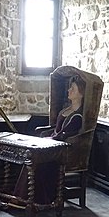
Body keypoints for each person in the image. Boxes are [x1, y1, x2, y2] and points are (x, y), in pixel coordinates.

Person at [14, 75, 85, 205]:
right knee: (30, 161)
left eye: (73, 89)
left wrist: (46, 140)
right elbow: (56, 130)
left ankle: (38, 199)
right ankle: (22, 197)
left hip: (60, 151)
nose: (69, 91)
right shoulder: (66, 110)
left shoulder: (77, 117)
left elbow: (64, 135)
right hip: (52, 145)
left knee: (36, 162)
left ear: (81, 94)